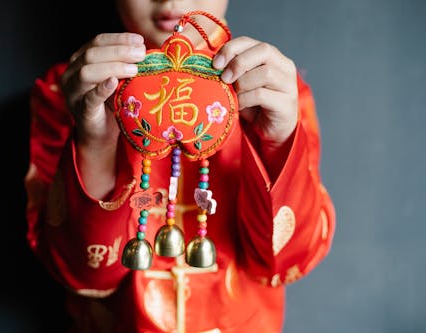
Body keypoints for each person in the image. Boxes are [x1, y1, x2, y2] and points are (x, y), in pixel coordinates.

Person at [24, 0, 336, 332]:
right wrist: (94, 144)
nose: (171, 0)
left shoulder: (273, 91)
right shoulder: (70, 92)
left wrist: (276, 142)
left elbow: (284, 261)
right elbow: (83, 270)